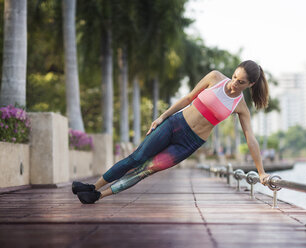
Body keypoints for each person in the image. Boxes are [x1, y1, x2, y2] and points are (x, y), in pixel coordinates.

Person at [72, 60, 271, 204]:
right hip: (174, 124)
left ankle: (98, 196)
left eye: (241, 82)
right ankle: (93, 186)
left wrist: (261, 172)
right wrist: (162, 117)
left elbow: (250, 138)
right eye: (235, 76)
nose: (234, 83)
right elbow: (188, 98)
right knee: (137, 157)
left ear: (250, 84)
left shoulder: (240, 106)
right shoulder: (215, 78)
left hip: (188, 144)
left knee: (146, 170)